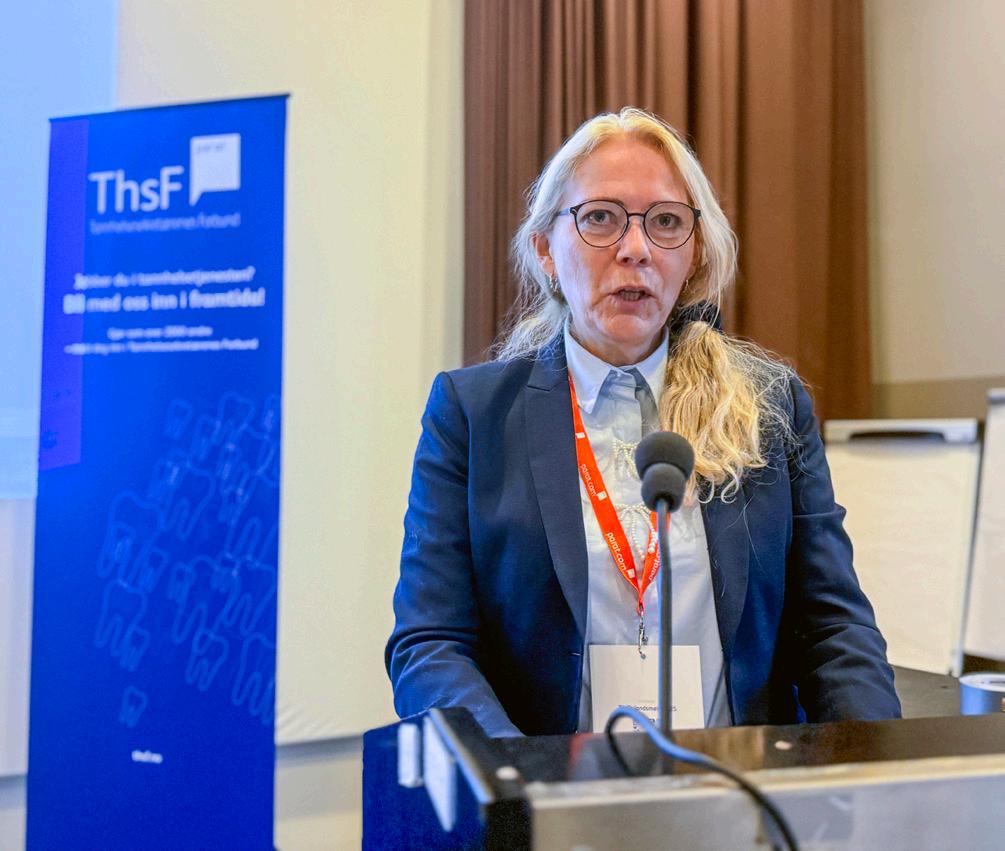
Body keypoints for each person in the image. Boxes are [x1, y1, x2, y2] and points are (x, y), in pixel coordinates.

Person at [385, 107, 900, 738]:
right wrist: (515, 778)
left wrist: (877, 768)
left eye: (666, 222)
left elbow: (834, 630)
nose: (636, 249)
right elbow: (431, 645)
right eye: (600, 218)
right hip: (553, 790)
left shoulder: (768, 406)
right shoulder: (473, 415)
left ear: (695, 255)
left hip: (736, 785)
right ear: (546, 249)